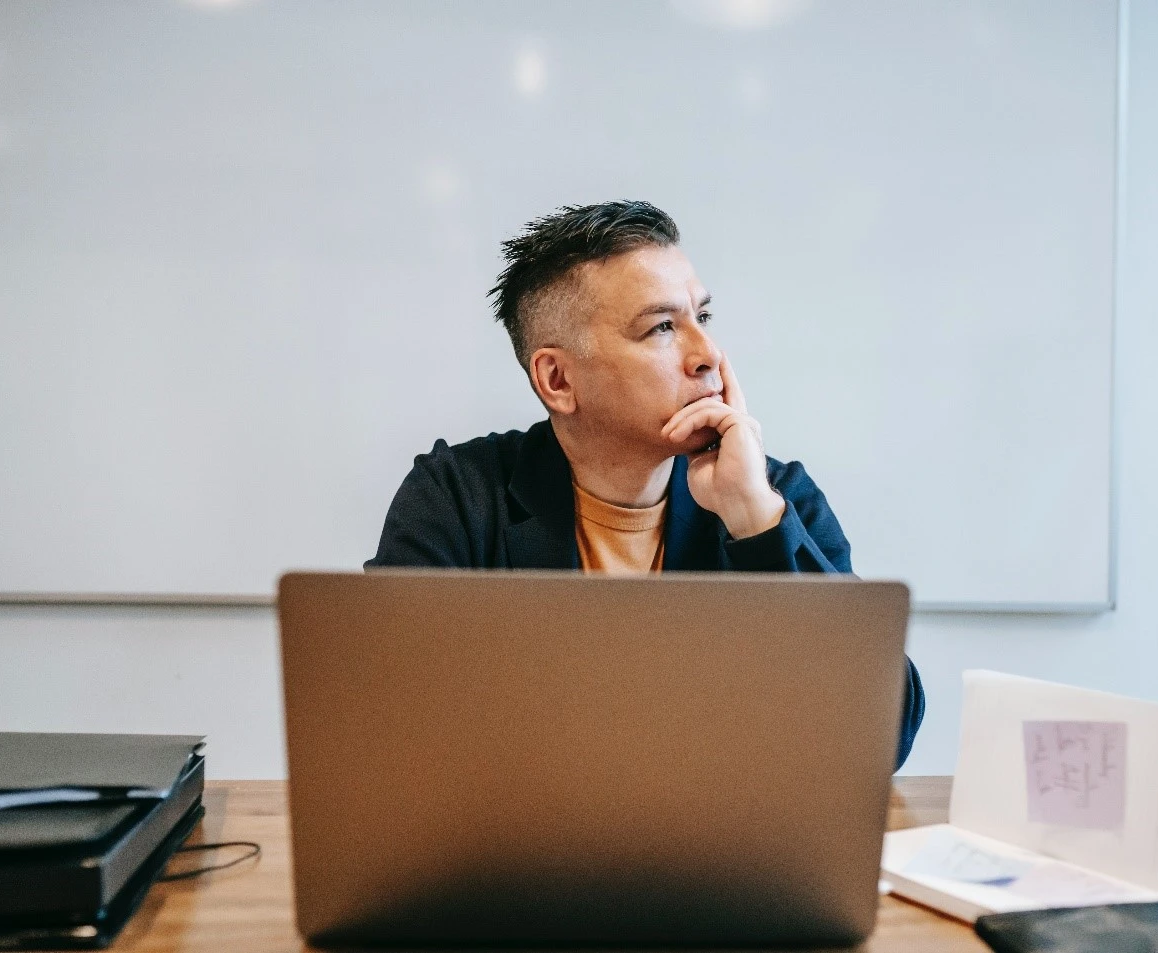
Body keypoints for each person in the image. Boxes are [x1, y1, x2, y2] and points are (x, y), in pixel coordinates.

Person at [368, 200, 924, 768]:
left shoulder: (770, 494)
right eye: (662, 327)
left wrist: (756, 523)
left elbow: (882, 739)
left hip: (722, 845)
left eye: (701, 318)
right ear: (557, 379)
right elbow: (383, 716)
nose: (707, 355)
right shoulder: (459, 497)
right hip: (520, 842)